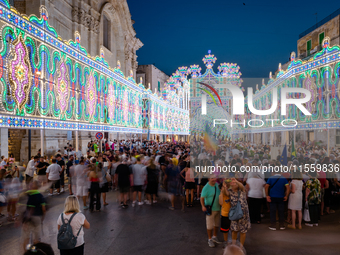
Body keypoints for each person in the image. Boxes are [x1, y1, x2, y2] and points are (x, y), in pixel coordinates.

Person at [22, 181, 46, 250]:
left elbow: (23, 208)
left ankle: (26, 253)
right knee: (36, 238)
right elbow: (43, 209)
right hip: (37, 217)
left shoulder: (27, 195)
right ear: (37, 187)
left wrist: (23, 221)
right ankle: (35, 253)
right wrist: (42, 218)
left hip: (27, 219)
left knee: (26, 238)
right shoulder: (40, 196)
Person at [200, 175, 221, 248]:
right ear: (209, 179)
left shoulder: (217, 185)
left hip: (218, 209)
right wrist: (203, 206)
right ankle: (209, 239)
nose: (214, 179)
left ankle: (214, 236)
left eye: (215, 178)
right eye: (212, 178)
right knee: (209, 225)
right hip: (210, 209)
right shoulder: (206, 187)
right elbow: (202, 198)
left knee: (216, 224)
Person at [229, 178, 250, 248]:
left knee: (243, 231)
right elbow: (224, 192)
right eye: (232, 183)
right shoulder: (229, 191)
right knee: (234, 230)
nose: (234, 183)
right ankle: (234, 246)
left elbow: (241, 186)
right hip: (235, 214)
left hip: (244, 214)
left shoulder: (242, 190)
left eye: (235, 183)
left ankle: (241, 247)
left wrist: (236, 181)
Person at [219, 179, 231, 248]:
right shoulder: (221, 195)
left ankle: (232, 241)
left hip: (232, 214)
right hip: (224, 214)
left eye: (227, 186)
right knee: (225, 230)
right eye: (224, 186)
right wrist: (222, 192)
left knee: (232, 229)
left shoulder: (230, 193)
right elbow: (221, 203)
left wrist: (226, 188)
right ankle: (226, 241)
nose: (225, 187)